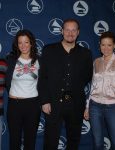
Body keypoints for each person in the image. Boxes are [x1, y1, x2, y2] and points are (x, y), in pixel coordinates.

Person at [38, 18, 93, 150]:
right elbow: (42, 77)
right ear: (62, 31)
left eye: (73, 30)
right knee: (50, 142)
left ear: (78, 32)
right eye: (67, 29)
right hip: (53, 103)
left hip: (76, 105)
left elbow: (87, 77)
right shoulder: (49, 50)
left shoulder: (86, 54)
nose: (70, 33)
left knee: (74, 141)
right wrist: (45, 101)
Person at [6, 29, 41, 150]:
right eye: (20, 42)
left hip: (33, 104)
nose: (23, 45)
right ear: (17, 44)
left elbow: (45, 83)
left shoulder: (39, 61)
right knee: (14, 140)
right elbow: (5, 81)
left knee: (30, 140)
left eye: (26, 42)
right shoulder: (10, 60)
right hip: (14, 105)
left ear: (31, 43)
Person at [84, 31, 115, 150]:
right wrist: (88, 107)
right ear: (99, 45)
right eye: (103, 44)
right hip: (95, 106)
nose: (106, 48)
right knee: (97, 142)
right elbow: (93, 86)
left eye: (109, 45)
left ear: (114, 45)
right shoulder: (96, 62)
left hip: (114, 106)